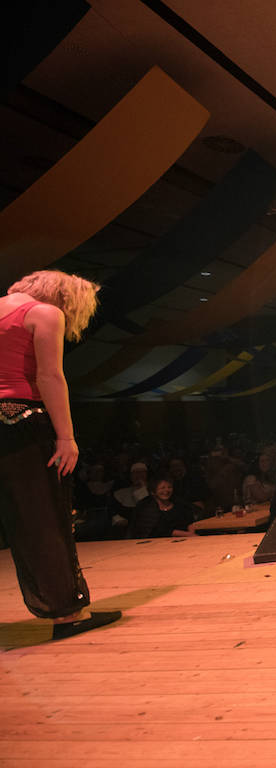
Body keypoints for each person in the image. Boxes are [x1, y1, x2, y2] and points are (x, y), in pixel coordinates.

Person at [0, 271, 121, 639]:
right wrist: (66, 437)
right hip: (19, 421)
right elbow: (50, 376)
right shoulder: (43, 313)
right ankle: (67, 615)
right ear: (65, 299)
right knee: (43, 519)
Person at [129, 477, 196, 538]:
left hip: (184, 540)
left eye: (169, 487)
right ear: (153, 492)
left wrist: (191, 533)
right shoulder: (147, 509)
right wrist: (187, 534)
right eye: (162, 488)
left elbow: (189, 521)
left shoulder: (179, 505)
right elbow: (158, 530)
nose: (166, 490)